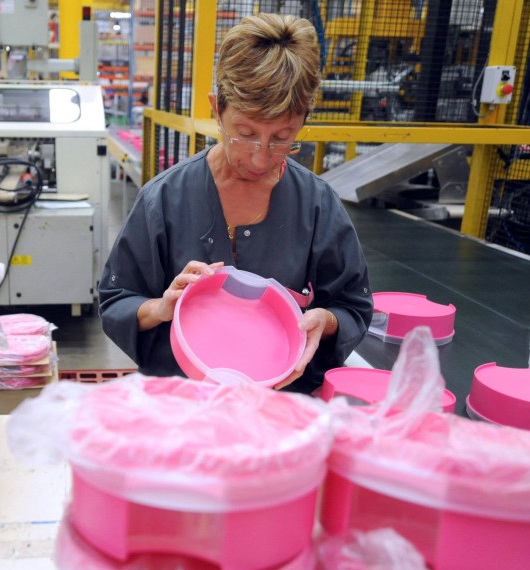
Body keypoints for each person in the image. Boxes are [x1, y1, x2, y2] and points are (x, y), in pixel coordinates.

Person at [98, 13, 373, 394]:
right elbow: (116, 301)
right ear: (216, 109)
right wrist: (161, 308)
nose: (261, 158)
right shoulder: (164, 199)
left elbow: (352, 306)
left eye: (282, 137)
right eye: (245, 134)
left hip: (275, 409)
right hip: (181, 404)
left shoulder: (317, 205)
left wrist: (323, 320)